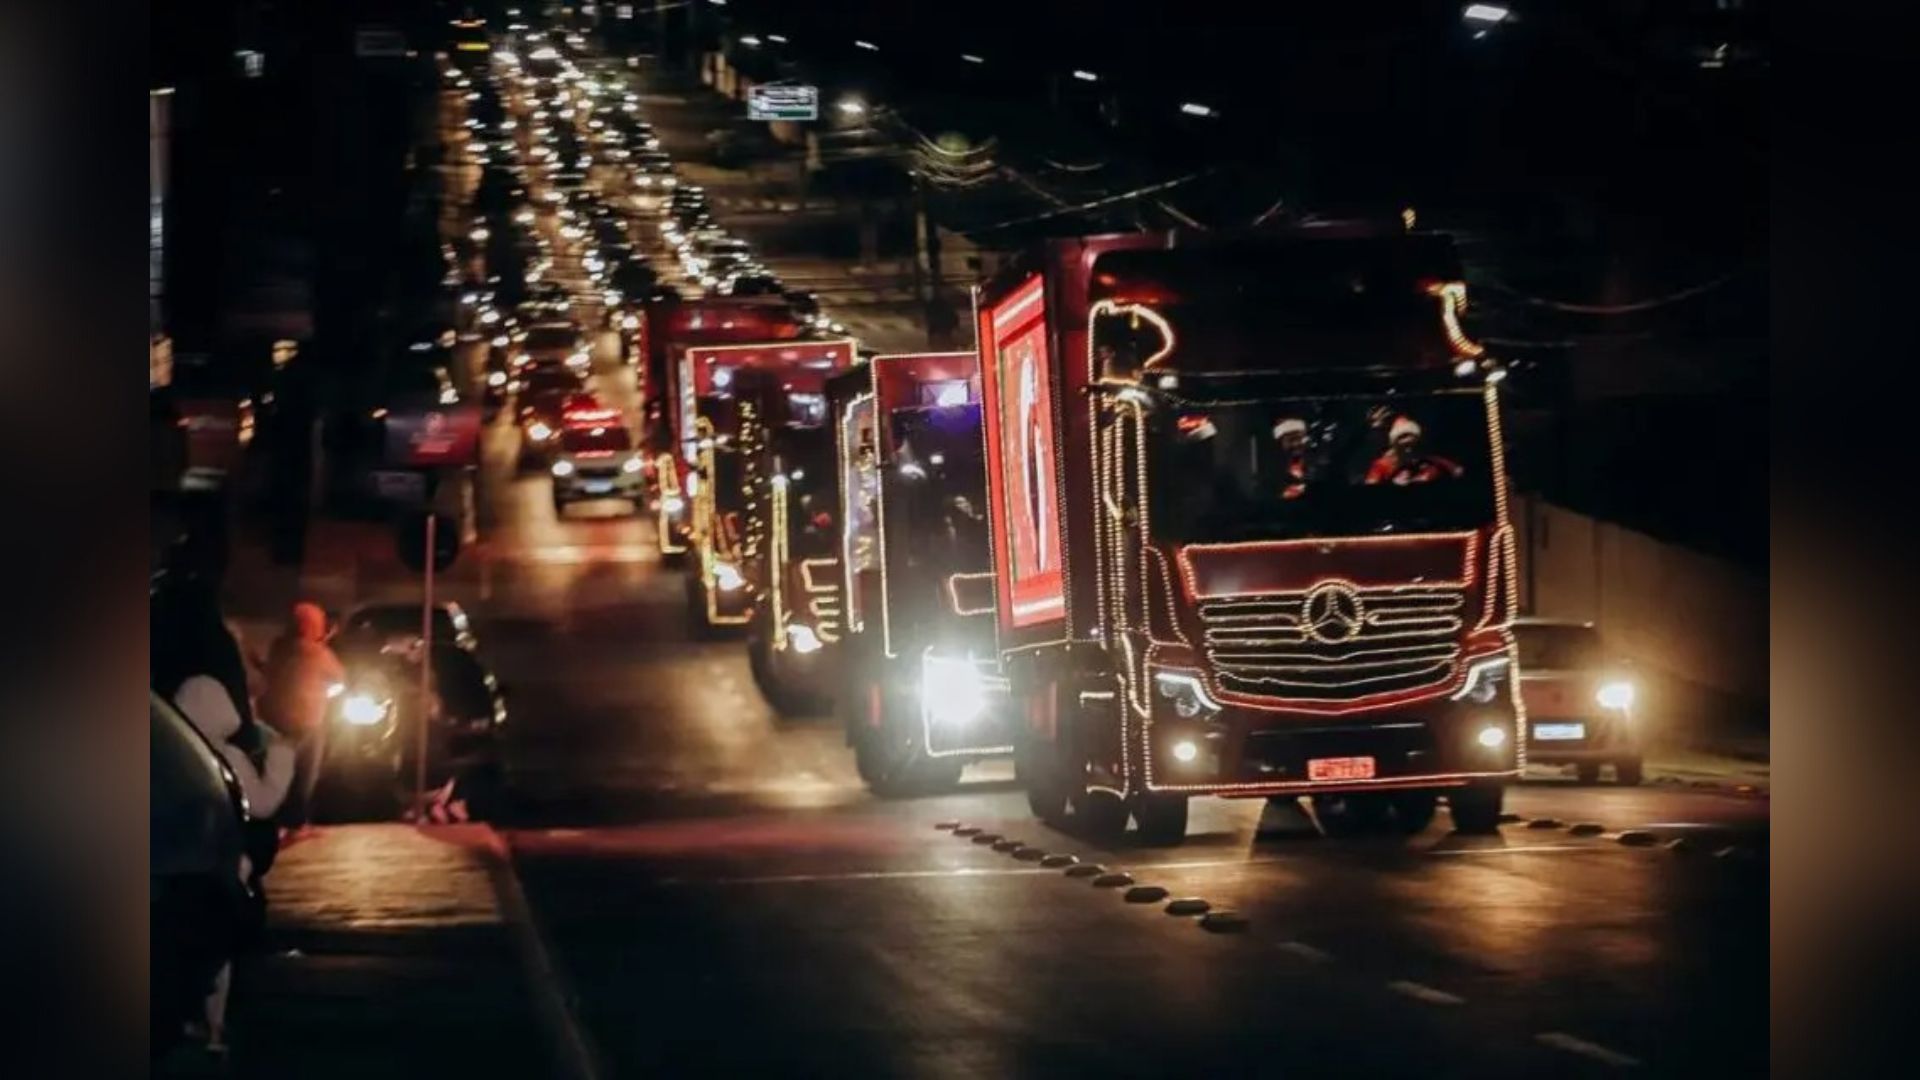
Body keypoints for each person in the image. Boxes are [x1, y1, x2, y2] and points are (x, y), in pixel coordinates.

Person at [173, 675, 294, 1058]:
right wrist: (281, 760)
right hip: (224, 865)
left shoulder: (174, 757)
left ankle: (185, 1020)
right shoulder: (229, 757)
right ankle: (214, 1026)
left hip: (181, 866)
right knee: (218, 949)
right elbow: (261, 803)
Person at [261, 601, 345, 832]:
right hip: (308, 721)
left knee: (278, 774)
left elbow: (270, 673)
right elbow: (339, 679)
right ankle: (297, 823)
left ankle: (277, 823)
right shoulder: (318, 653)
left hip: (275, 721)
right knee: (305, 775)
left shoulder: (279, 647)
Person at [1364, 415, 1464, 486]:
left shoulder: (1431, 461)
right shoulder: (1381, 465)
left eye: (1411, 436)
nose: (1408, 440)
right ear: (1394, 443)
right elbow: (1370, 489)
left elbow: (1458, 471)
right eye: (1402, 437)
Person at [1272, 417, 1311, 500]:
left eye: (1299, 438)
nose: (1296, 443)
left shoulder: (1312, 461)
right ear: (1281, 442)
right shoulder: (1274, 468)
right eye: (1291, 439)